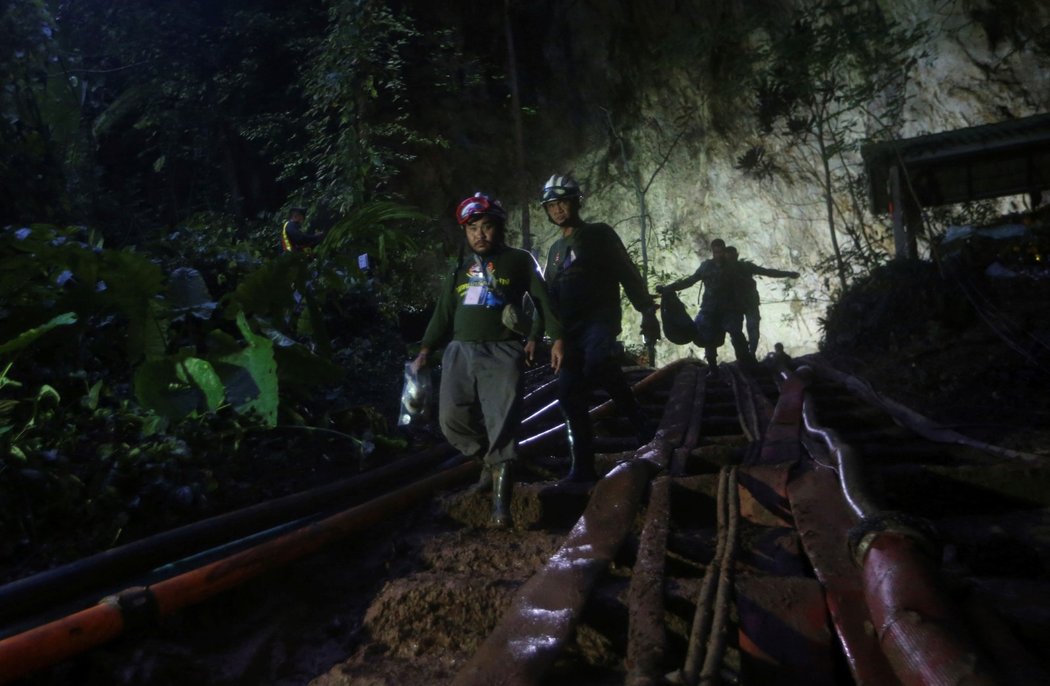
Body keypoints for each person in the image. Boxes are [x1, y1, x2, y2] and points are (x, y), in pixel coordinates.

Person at [411, 192, 564, 527]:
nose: (480, 234)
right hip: (460, 351)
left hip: (502, 351)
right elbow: (444, 312)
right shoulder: (460, 268)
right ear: (465, 232)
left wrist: (552, 338)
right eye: (473, 228)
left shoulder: (519, 260)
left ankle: (501, 507)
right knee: (452, 421)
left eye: (487, 227)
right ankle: (493, 464)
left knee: (502, 423)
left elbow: (543, 301)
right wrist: (426, 348)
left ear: (500, 228)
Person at [540, 174, 660, 482]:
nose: (557, 209)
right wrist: (549, 334)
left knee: (595, 365)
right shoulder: (554, 251)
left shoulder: (598, 234)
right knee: (568, 394)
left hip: (599, 320)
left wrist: (646, 308)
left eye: (562, 201)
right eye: (551, 205)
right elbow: (549, 295)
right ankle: (582, 468)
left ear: (576, 202)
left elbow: (625, 269)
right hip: (570, 331)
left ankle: (640, 425)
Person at [656, 238, 752, 376]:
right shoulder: (706, 266)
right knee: (707, 337)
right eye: (716, 251)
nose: (718, 254)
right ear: (712, 251)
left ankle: (745, 365)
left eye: (721, 251)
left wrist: (744, 302)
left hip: (729, 309)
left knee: (736, 333)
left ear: (724, 251)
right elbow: (690, 280)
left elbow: (744, 285)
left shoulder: (733, 267)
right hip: (710, 308)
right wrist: (669, 288)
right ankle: (713, 369)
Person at [724, 245, 799, 357]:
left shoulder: (745, 266)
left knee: (752, 330)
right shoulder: (722, 270)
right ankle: (744, 355)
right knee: (737, 332)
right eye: (729, 258)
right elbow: (768, 272)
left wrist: (788, 274)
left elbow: (768, 272)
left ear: (736, 256)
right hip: (735, 306)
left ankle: (750, 354)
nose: (732, 260)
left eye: (733, 257)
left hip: (748, 303)